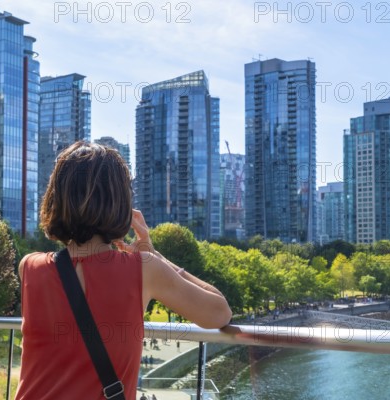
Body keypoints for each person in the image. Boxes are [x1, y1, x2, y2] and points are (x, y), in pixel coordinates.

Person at [15, 141, 232, 399]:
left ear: (55, 199)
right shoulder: (144, 270)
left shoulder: (29, 266)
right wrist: (154, 256)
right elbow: (220, 313)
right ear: (121, 203)